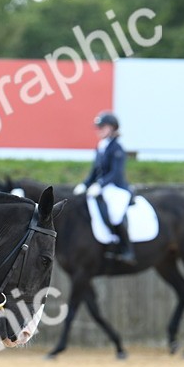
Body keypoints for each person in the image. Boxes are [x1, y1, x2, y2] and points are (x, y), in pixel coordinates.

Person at [74, 111, 136, 263]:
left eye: (103, 127)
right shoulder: (101, 146)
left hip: (117, 188)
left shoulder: (117, 148)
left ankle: (126, 249)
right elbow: (95, 171)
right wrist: (85, 184)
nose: (99, 130)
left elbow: (116, 172)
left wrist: (100, 185)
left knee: (115, 215)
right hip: (102, 187)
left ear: (112, 128)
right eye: (98, 127)